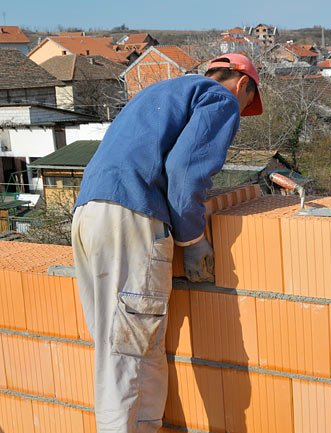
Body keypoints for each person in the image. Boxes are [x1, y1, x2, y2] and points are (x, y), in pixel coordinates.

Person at [71, 54, 263, 433]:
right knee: (127, 354)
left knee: (122, 347)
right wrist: (193, 239)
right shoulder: (220, 98)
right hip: (132, 218)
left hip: (88, 215)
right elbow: (184, 171)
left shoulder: (158, 90)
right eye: (245, 106)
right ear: (243, 85)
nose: (238, 115)